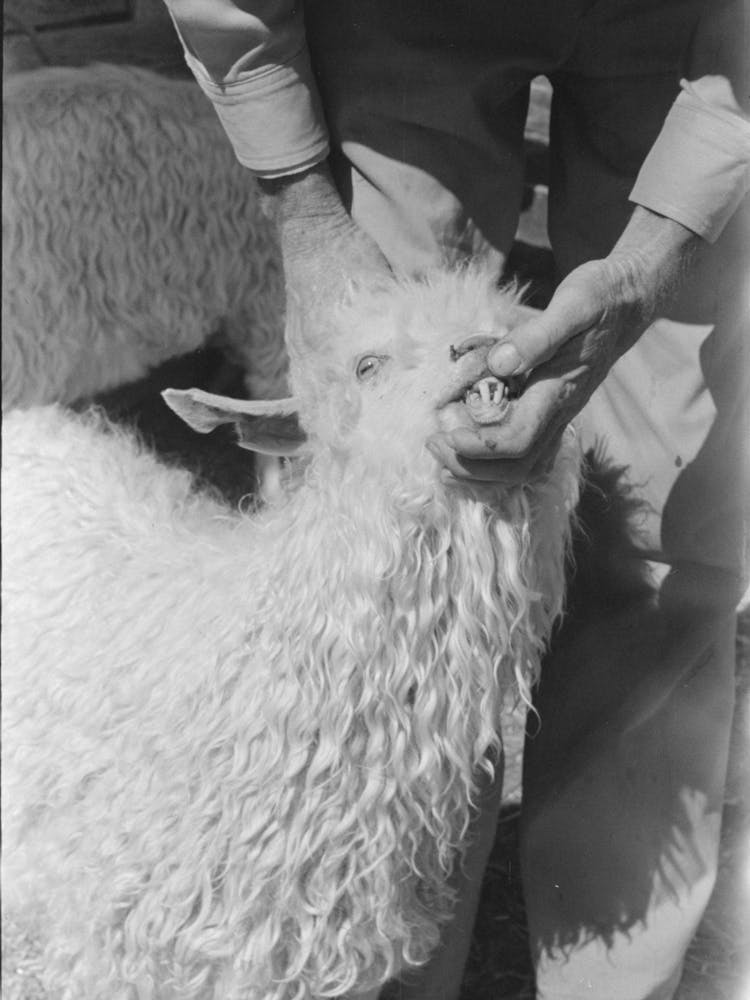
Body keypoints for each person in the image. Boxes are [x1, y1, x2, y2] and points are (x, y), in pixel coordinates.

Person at [163, 2, 750, 997]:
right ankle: (381, 962)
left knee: (665, 505)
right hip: (403, 20)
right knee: (398, 505)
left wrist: (651, 265)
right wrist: (303, 205)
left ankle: (616, 979)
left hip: (690, 27)